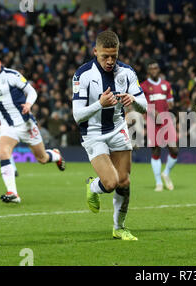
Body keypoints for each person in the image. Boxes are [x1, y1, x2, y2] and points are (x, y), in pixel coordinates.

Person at [72, 30, 147, 241]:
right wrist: (99, 104)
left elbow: (145, 107)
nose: (110, 60)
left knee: (124, 181)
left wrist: (134, 100)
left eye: (114, 55)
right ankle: (93, 185)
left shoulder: (127, 73)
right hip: (93, 133)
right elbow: (77, 115)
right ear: (95, 51)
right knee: (111, 182)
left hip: (117, 128)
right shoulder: (83, 74)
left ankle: (119, 227)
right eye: (105, 56)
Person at [0, 51, 65, 204]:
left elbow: (31, 91)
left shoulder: (12, 75)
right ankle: (13, 193)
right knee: (3, 152)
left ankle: (55, 155)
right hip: (7, 126)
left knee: (42, 158)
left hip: (25, 124)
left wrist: (28, 104)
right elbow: (0, 99)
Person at [141, 60, 178, 191]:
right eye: (151, 68)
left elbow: (171, 101)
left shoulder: (166, 84)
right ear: (148, 71)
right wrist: (151, 110)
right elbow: (140, 104)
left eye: (156, 68)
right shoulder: (144, 86)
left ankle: (166, 173)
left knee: (174, 150)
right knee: (156, 151)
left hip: (166, 119)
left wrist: (170, 104)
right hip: (152, 121)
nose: (154, 70)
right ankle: (158, 182)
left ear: (159, 69)